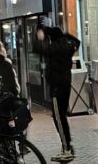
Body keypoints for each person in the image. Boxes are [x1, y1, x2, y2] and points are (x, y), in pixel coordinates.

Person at [33, 22, 80, 161]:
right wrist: (64, 34)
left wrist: (40, 36)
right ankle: (66, 146)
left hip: (57, 87)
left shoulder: (54, 48)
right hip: (65, 84)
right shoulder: (69, 45)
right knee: (62, 116)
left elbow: (37, 48)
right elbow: (78, 41)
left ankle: (66, 148)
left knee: (58, 117)